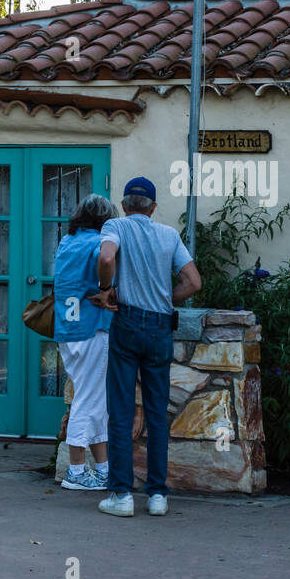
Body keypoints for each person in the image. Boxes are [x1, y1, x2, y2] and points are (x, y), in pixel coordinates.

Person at [89, 176, 202, 517]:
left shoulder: (116, 225)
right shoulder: (168, 234)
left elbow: (107, 257)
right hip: (159, 327)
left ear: (124, 205)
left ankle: (122, 495)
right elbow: (194, 282)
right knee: (156, 414)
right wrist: (167, 299)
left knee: (121, 413)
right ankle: (157, 496)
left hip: (127, 322)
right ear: (153, 208)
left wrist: (106, 288)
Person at [52, 193, 120, 491]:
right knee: (87, 401)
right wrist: (105, 289)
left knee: (93, 402)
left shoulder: (66, 243)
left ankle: (104, 470)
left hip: (68, 329)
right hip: (93, 329)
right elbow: (106, 263)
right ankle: (76, 472)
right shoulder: (98, 244)